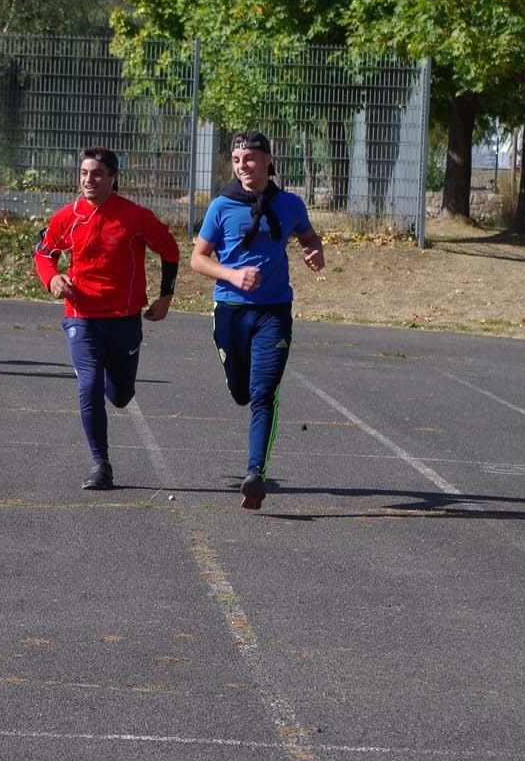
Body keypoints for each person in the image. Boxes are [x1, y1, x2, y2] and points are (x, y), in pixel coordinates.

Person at [189, 130, 325, 510]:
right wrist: (232, 275)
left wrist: (315, 253)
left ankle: (255, 475)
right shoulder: (221, 206)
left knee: (264, 394)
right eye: (236, 161)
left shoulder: (291, 204)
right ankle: (252, 451)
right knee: (240, 392)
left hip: (274, 311)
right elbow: (197, 259)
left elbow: (309, 238)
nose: (242, 166)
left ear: (267, 160)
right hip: (230, 310)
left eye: (249, 158)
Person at [34, 146, 181, 490]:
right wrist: (52, 278)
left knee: (121, 395)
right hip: (80, 316)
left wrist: (166, 297)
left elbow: (170, 249)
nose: (89, 180)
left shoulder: (134, 216)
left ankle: (115, 382)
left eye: (97, 174)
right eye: (84, 173)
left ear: (114, 178)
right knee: (88, 385)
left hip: (124, 319)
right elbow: (44, 255)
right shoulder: (66, 217)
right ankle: (101, 463)